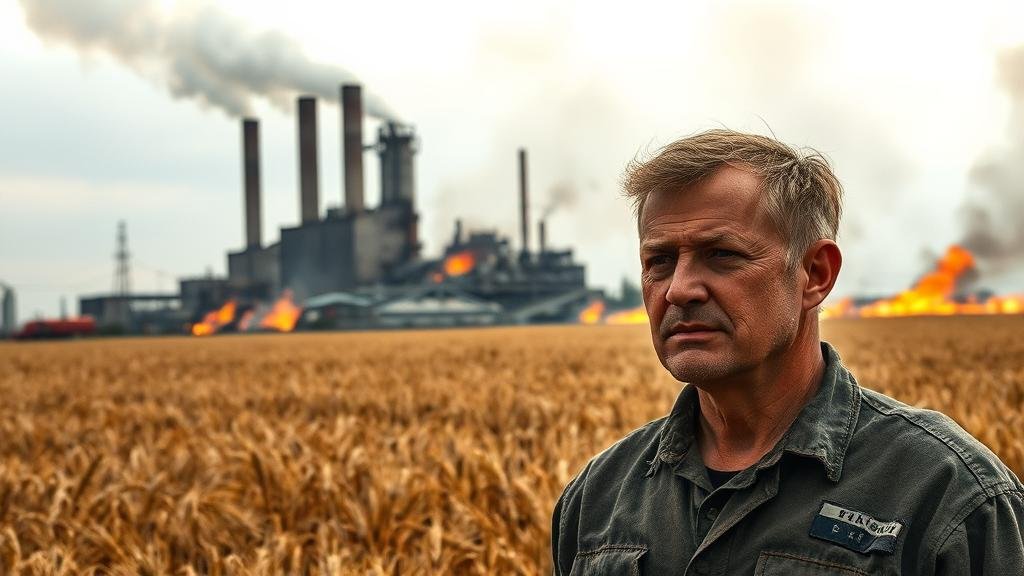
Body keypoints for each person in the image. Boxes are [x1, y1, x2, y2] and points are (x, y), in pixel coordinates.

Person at [550, 129, 1024, 575]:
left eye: (722, 255)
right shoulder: (598, 496)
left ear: (815, 274)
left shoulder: (947, 493)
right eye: (660, 261)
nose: (679, 289)